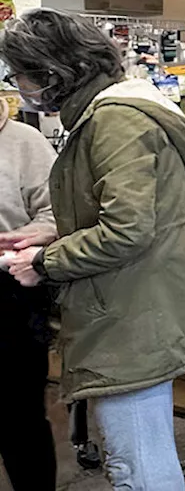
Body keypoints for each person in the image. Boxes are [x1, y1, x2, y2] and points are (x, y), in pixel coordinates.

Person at [0, 8, 185, 490]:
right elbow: (120, 210)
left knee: (136, 462)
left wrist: (44, 262)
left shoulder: (115, 123)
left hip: (138, 313)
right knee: (140, 451)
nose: (19, 87)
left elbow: (127, 231)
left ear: (54, 73)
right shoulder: (107, 115)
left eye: (21, 75)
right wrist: (52, 232)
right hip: (138, 302)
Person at [0, 106, 58, 491]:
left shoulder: (25, 143)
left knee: (19, 418)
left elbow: (58, 215)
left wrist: (18, 242)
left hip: (9, 292)